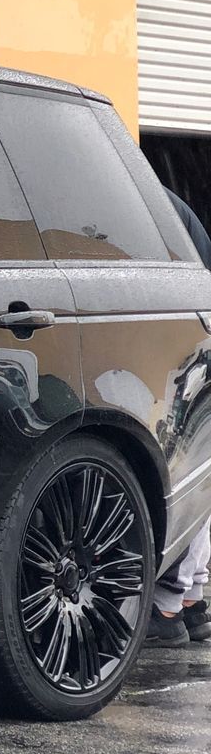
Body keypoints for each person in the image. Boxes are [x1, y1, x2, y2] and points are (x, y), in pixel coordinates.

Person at [151, 186, 211, 645]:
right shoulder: (172, 206)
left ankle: (171, 604)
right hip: (193, 344)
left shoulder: (151, 204)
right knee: (195, 475)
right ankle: (190, 600)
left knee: (182, 472)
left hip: (183, 352)